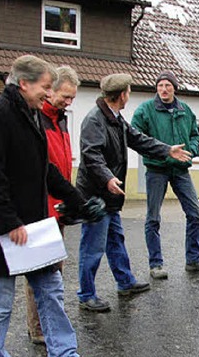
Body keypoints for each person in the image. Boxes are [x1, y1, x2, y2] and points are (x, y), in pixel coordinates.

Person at [0, 55, 102, 357]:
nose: (48, 95)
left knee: (51, 291)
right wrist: (8, 222)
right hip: (2, 233)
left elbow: (44, 170)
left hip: (35, 227)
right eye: (45, 87)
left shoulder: (32, 115)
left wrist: (77, 200)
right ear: (24, 83)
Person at [76, 73, 192, 312]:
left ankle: (125, 282)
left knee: (115, 239)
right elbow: (91, 155)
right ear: (122, 95)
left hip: (110, 193)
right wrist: (107, 177)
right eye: (128, 91)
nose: (129, 94)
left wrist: (167, 150)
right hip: (96, 194)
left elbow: (139, 140)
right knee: (93, 246)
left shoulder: (115, 118)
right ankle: (86, 294)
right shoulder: (95, 120)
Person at [131, 70, 199, 279]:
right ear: (156, 88)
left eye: (168, 85)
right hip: (156, 170)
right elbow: (134, 137)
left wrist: (192, 152)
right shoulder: (145, 110)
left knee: (194, 214)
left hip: (180, 170)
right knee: (153, 217)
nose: (164, 89)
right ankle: (156, 264)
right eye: (160, 86)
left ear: (174, 88)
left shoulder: (185, 110)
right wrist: (158, 152)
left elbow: (195, 135)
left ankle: (194, 259)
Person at [24, 66, 80, 345]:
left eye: (72, 98)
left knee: (56, 269)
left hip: (58, 205)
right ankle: (38, 329)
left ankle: (46, 323)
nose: (68, 102)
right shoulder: (36, 118)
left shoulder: (60, 119)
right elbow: (43, 167)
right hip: (41, 205)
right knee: (41, 270)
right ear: (51, 90)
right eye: (65, 96)